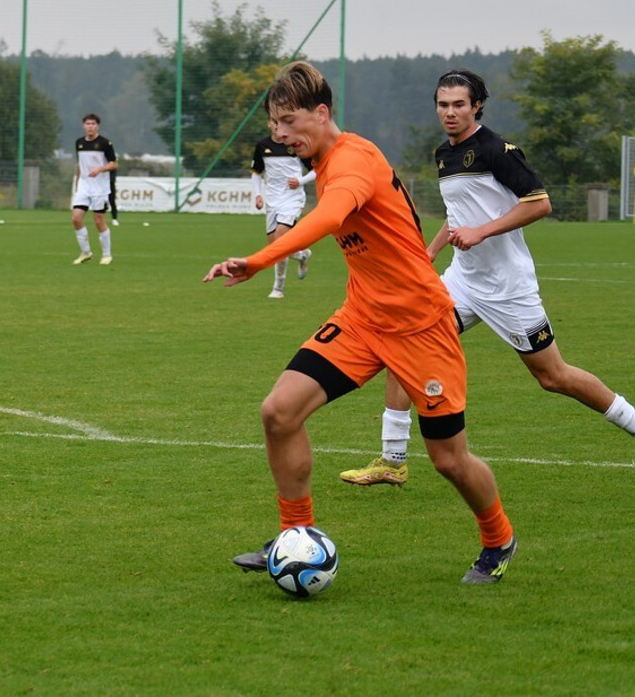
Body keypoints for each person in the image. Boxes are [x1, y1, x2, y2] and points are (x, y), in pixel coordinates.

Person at [204, 61, 517, 584]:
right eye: (273, 125)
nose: (279, 134)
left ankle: (499, 537)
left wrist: (258, 261)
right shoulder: (325, 159)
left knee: (449, 460)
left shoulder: (352, 160)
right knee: (279, 412)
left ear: (321, 113)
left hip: (420, 325)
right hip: (363, 318)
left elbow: (327, 219)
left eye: (288, 121)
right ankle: (294, 536)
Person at [341, 69, 635, 486]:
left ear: (477, 105)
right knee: (404, 342)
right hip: (463, 282)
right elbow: (458, 214)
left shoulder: (498, 149)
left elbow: (539, 204)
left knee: (553, 376)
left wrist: (482, 232)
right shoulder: (443, 154)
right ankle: (392, 460)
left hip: (508, 288)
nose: (450, 112)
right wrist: (430, 250)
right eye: (443, 105)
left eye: (459, 104)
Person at [251, 119, 317, 299]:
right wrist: (258, 195)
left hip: (292, 199)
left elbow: (316, 170)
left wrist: (300, 181)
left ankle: (278, 288)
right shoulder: (262, 146)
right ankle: (302, 255)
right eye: (274, 123)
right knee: (275, 247)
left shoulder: (296, 145)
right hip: (272, 200)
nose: (278, 126)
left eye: (281, 123)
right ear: (269, 124)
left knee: (281, 239)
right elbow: (257, 173)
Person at [71, 113, 118, 265]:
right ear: (83, 126)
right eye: (87, 124)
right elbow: (80, 165)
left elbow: (114, 164)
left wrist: (100, 169)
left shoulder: (105, 143)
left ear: (97, 126)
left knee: (99, 221)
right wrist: (78, 184)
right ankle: (85, 252)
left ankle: (106, 254)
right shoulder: (79, 143)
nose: (90, 126)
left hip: (100, 188)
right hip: (84, 187)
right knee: (76, 218)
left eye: (93, 124)